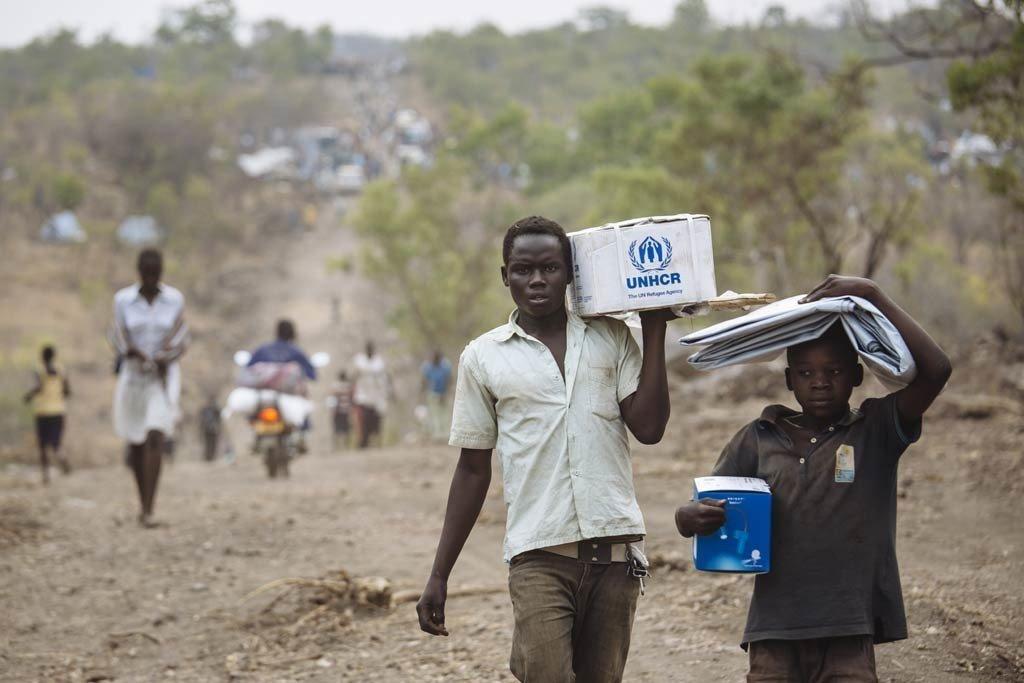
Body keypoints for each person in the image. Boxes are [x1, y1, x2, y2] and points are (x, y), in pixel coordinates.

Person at [416, 216, 676, 682]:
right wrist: (440, 574)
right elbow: (473, 470)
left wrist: (653, 328)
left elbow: (650, 428)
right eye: (522, 269)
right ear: (505, 276)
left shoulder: (611, 336)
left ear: (571, 273)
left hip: (614, 555)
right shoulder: (483, 357)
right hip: (538, 558)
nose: (537, 280)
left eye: (551, 268)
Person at [675, 275, 953, 683]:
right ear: (789, 380)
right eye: (805, 372)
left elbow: (936, 372)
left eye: (834, 370)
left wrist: (871, 294)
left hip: (848, 627)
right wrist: (687, 518)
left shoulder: (875, 431)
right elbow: (706, 505)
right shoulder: (759, 436)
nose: (820, 381)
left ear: (857, 376)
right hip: (773, 626)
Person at [111, 249, 189, 528]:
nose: (152, 278)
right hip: (133, 377)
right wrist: (136, 354)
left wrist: (162, 357)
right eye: (147, 273)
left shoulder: (174, 300)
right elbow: (119, 337)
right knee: (136, 442)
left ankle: (149, 508)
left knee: (156, 433)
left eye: (156, 274)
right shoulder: (123, 301)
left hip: (163, 377)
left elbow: (181, 337)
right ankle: (141, 498)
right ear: (140, 273)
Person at [23, 345, 71, 484]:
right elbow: (67, 390)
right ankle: (62, 459)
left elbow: (39, 387)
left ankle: (46, 475)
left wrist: (28, 396)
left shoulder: (39, 371)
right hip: (59, 411)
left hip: (43, 411)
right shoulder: (61, 371)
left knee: (42, 445)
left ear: (42, 357)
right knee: (56, 444)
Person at [352, 341, 391, 448]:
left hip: (377, 396)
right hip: (363, 395)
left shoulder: (379, 362)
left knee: (376, 420)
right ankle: (363, 441)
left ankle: (376, 442)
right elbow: (354, 376)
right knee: (363, 420)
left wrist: (387, 391)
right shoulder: (360, 361)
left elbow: (385, 377)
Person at [248, 320, 316, 382]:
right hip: (290, 392)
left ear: (277, 332)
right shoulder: (297, 352)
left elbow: (249, 367)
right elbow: (311, 375)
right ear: (293, 333)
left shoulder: (263, 349)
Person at [420, 350, 452, 441]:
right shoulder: (427, 366)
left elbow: (449, 380)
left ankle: (445, 434)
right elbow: (424, 380)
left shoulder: (446, 365)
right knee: (434, 414)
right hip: (432, 393)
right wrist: (423, 393)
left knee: (444, 414)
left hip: (444, 393)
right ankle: (436, 435)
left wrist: (445, 393)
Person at [328, 370, 354, 450]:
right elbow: (332, 394)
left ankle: (345, 446)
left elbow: (351, 395)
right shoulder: (336, 385)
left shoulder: (348, 385)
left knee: (346, 430)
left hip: (346, 410)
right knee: (337, 430)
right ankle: (337, 447)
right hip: (338, 410)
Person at [198, 397, 222, 462]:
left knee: (210, 443)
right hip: (210, 429)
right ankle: (209, 456)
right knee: (210, 443)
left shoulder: (208, 410)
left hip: (210, 429)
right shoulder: (209, 410)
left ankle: (210, 456)